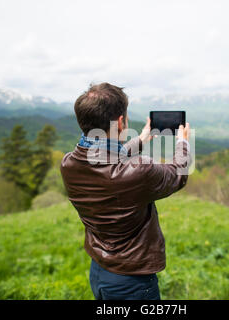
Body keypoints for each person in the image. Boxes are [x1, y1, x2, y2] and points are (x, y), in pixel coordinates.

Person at [60, 83, 192, 300]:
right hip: (132, 279)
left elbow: (106, 156)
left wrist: (141, 139)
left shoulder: (68, 164)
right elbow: (178, 174)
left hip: (99, 270)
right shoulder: (138, 172)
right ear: (121, 122)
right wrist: (183, 143)